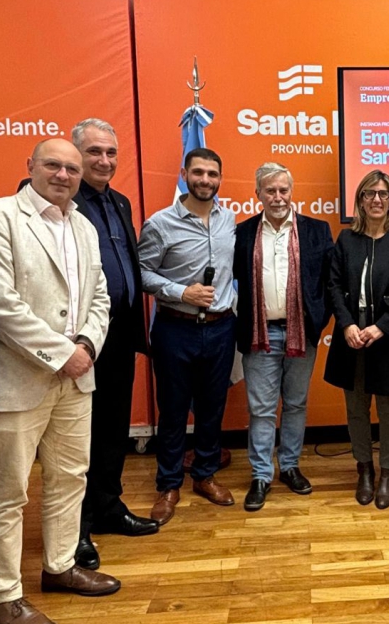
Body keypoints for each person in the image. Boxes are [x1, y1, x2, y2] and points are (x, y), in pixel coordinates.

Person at [0, 138, 118, 624]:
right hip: (19, 379)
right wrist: (62, 354)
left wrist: (87, 346)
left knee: (70, 478)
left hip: (77, 378)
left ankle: (61, 566)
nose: (63, 175)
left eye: (72, 169)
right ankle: (3, 597)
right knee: (6, 492)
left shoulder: (84, 226)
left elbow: (100, 297)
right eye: (53, 165)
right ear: (30, 166)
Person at [68, 119, 157, 571]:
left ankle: (107, 506)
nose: (104, 161)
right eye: (94, 152)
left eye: (111, 153)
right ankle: (76, 528)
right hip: (79, 338)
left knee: (112, 429)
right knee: (77, 437)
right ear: (75, 155)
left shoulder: (119, 201)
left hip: (119, 332)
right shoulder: (61, 198)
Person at [139, 147, 237, 522]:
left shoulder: (230, 220)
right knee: (174, 410)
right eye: (198, 172)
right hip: (175, 329)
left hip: (221, 327)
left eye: (212, 174)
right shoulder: (160, 223)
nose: (205, 180)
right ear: (184, 174)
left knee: (212, 408)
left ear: (220, 178)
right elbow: (142, 273)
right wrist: (182, 292)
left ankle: (205, 476)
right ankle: (168, 484)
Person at [235, 162, 334, 511]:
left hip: (301, 334)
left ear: (291, 192)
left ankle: (290, 466)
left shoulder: (316, 231)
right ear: (258, 194)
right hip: (259, 334)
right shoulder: (243, 233)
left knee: (295, 404)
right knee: (261, 409)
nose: (277, 197)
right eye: (270, 191)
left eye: (283, 190)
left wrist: (318, 320)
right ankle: (261, 475)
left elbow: (329, 281)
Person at [324, 169, 389, 510]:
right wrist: (347, 324)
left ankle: (387, 474)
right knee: (356, 409)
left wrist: (382, 327)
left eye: (383, 194)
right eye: (369, 194)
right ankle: (364, 469)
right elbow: (333, 285)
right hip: (352, 338)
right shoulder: (346, 239)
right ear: (360, 200)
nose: (376, 200)